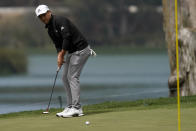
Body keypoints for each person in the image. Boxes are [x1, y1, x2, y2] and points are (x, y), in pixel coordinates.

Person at [35, 5, 96, 118]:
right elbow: (58, 45)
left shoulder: (60, 20)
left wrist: (61, 55)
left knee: (72, 77)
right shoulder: (49, 30)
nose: (43, 18)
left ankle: (77, 108)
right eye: (40, 17)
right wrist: (60, 56)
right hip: (72, 52)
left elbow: (67, 38)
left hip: (81, 49)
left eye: (44, 15)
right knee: (64, 78)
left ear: (49, 12)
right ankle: (70, 106)